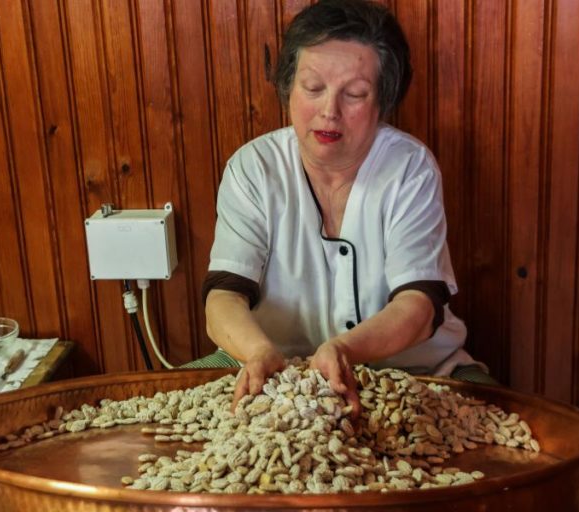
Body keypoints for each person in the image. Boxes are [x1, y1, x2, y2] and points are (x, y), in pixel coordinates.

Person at [191, 0, 491, 412]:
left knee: (498, 424)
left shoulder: (409, 168)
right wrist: (259, 351)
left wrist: (344, 348)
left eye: (354, 94)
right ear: (287, 89)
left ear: (382, 101)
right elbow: (223, 297)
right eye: (313, 89)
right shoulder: (254, 167)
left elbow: (419, 307)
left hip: (419, 371)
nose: (329, 112)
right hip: (273, 371)